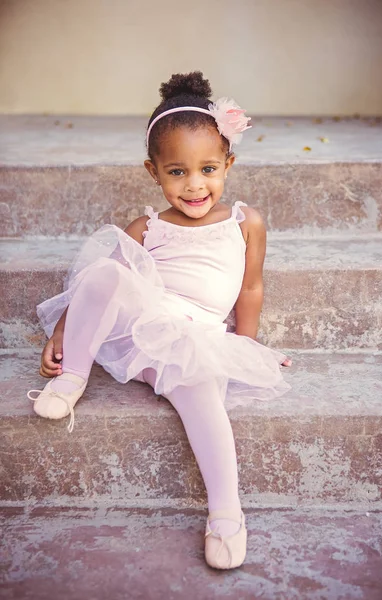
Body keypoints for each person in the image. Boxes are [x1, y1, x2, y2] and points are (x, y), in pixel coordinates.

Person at [27, 71, 291, 570]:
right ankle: (72, 377)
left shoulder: (245, 221)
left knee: (203, 396)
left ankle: (226, 514)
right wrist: (63, 333)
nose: (195, 185)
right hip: (140, 330)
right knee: (106, 268)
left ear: (228, 164)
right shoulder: (147, 226)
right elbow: (98, 289)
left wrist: (246, 345)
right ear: (153, 171)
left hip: (195, 339)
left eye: (208, 168)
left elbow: (250, 288)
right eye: (177, 172)